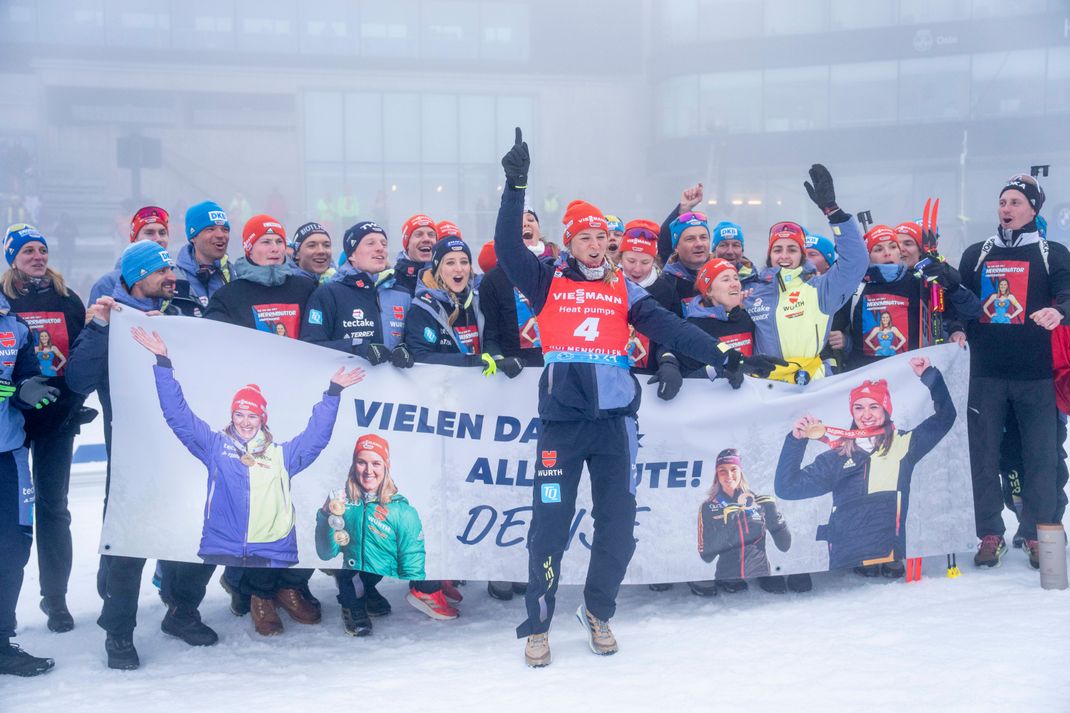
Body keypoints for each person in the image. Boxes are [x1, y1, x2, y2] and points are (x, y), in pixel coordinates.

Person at [495, 128, 781, 667]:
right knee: (549, 527)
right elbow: (509, 247)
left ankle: (597, 611)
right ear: (569, 242)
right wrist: (515, 186)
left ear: (609, 242)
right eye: (583, 237)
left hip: (615, 428)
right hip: (562, 424)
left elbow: (672, 328)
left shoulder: (623, 290)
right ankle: (537, 623)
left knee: (619, 527)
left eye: (601, 236)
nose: (594, 244)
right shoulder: (546, 282)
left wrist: (726, 356)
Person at [130, 326, 363, 635]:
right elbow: (178, 416)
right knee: (188, 559)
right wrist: (163, 364)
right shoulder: (215, 446)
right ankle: (240, 600)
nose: (244, 421)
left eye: (251, 416)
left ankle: (275, 595)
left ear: (262, 419)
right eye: (239, 415)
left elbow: (315, 437)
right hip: (225, 538)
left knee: (311, 533)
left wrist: (332, 394)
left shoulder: (281, 455)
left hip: (271, 540)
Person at [65, 241, 219, 669]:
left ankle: (182, 611)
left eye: (171, 271)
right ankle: (118, 633)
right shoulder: (108, 319)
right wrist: (98, 329)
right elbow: (77, 380)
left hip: (184, 452)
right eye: (160, 274)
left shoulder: (182, 312)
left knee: (199, 532)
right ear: (135, 279)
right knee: (128, 546)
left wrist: (176, 329)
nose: (172, 279)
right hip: (133, 454)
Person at [301, 221, 414, 623]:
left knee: (383, 505)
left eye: (384, 243)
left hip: (388, 412)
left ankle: (368, 585)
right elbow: (310, 347)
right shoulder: (329, 293)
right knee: (351, 505)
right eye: (370, 243)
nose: (380, 249)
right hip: (347, 411)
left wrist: (404, 353)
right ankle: (351, 599)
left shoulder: (394, 293)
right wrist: (356, 348)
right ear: (351, 253)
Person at [959, 173, 1070, 568]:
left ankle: (1042, 535)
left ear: (1033, 210)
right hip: (986, 373)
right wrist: (956, 329)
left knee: (1041, 458)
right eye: (1003, 202)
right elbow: (963, 304)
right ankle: (990, 533)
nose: (1006, 209)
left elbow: (1068, 294)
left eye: (1016, 203)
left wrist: (1058, 311)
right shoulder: (977, 253)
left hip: (1036, 375)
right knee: (984, 457)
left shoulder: (1051, 253)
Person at [775, 357, 955, 571]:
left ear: (885, 410)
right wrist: (796, 440)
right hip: (847, 565)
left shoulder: (904, 444)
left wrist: (930, 376)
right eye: (859, 408)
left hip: (889, 559)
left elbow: (945, 417)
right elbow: (788, 488)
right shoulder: (838, 455)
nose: (866, 414)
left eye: (874, 407)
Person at [2, 224, 88, 633]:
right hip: (13, 424)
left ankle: (56, 599)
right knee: (12, 520)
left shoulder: (68, 299)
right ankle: (7, 609)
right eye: (26, 251)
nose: (36, 256)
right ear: (11, 258)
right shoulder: (3, 302)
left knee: (54, 509)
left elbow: (84, 355)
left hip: (57, 421)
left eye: (41, 249)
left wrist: (75, 403)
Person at [0, 226, 62, 677]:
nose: (37, 256)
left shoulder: (12, 323)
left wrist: (28, 391)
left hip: (8, 452)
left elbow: (21, 376)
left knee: (13, 549)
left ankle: (2, 641)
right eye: (27, 251)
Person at [743, 165, 868, 384]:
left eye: (792, 249)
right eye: (777, 249)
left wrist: (833, 212)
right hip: (763, 387)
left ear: (802, 255)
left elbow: (856, 262)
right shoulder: (751, 290)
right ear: (769, 254)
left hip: (810, 386)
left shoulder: (820, 289)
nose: (784, 256)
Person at [315, 434, 425, 635]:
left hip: (377, 565)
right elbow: (325, 553)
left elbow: (412, 552)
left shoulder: (398, 507)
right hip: (350, 565)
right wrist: (326, 517)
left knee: (375, 563)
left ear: (386, 466)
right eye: (361, 462)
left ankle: (366, 589)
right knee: (352, 575)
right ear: (353, 464)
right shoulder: (343, 501)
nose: (368, 470)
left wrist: (421, 581)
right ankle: (352, 603)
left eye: (376, 463)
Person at [204, 215, 318, 333]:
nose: (275, 248)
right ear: (249, 248)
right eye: (266, 242)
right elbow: (212, 341)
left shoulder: (305, 289)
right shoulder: (228, 296)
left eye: (279, 242)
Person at [698, 449, 791, 590]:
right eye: (722, 470)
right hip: (729, 582)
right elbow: (707, 556)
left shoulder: (756, 501)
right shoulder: (709, 506)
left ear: (740, 472)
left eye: (733, 469)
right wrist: (728, 525)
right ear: (716, 474)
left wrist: (775, 516)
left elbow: (784, 546)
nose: (729, 475)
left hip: (762, 578)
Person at [89, 206, 170, 305]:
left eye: (162, 233)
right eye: (149, 233)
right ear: (134, 240)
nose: (158, 238)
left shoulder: (180, 281)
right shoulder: (108, 284)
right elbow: (93, 319)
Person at [174, 200, 232, 311]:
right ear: (193, 236)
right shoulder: (174, 278)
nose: (220, 235)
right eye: (210, 229)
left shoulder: (235, 274)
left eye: (225, 229)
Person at [393, 214, 437, 295]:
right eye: (419, 234)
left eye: (431, 235)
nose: (426, 239)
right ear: (407, 243)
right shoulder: (391, 280)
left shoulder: (446, 277)